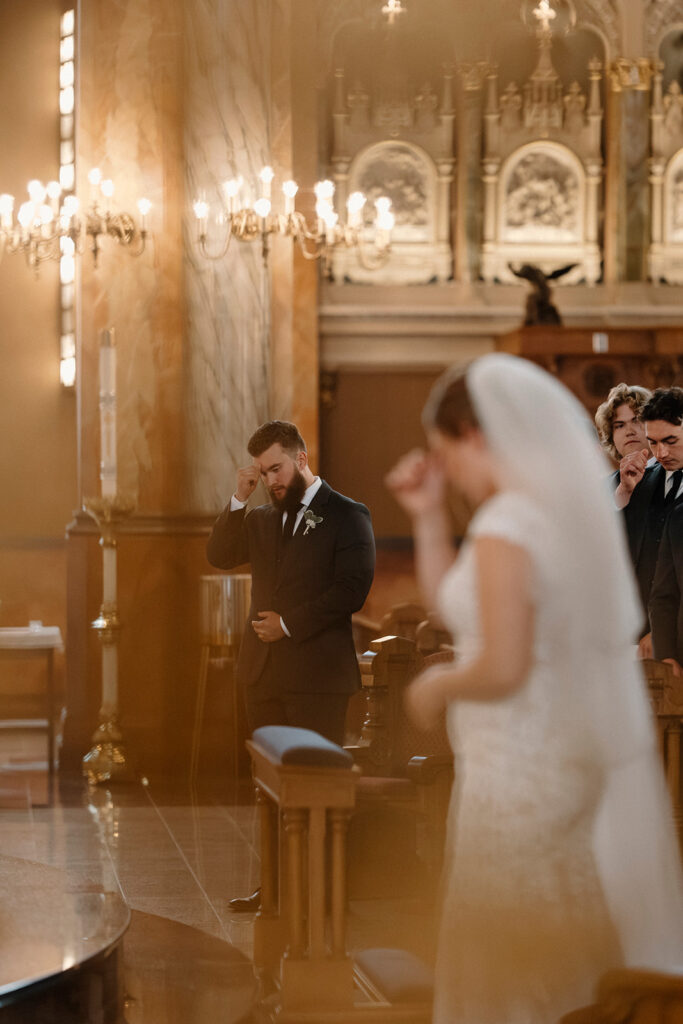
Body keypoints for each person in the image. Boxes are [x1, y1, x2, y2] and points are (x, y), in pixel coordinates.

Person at [386, 355, 683, 1024]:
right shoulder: (538, 519)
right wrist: (428, 515)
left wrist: (437, 686)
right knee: (552, 941)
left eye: (446, 453)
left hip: (520, 772)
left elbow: (502, 665)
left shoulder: (505, 526)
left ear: (476, 437)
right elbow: (459, 607)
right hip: (549, 762)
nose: (449, 470)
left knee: (511, 956)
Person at [207, 420, 375, 909]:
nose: (272, 480)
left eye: (276, 468)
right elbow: (219, 555)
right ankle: (277, 888)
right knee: (270, 788)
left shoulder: (347, 514)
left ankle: (318, 893)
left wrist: (290, 624)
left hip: (317, 678)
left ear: (301, 459)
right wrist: (239, 498)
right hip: (262, 675)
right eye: (263, 473)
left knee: (313, 788)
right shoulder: (259, 518)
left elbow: (352, 588)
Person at [614, 387, 683, 656]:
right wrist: (624, 494)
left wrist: (665, 635)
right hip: (631, 635)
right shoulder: (639, 477)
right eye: (653, 442)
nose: (661, 452)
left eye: (670, 440)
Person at [595, 382, 653, 651]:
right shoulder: (601, 489)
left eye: (637, 420)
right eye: (619, 425)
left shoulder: (672, 480)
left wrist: (659, 631)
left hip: (656, 630)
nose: (629, 430)